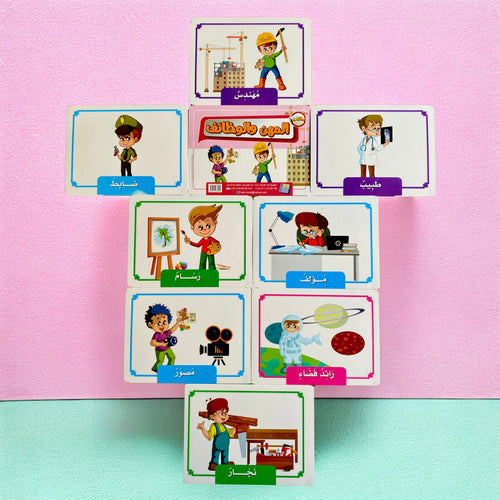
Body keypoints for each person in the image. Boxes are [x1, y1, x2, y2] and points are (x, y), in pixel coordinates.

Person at [197, 398, 237, 470]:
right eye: (222, 413)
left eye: (226, 413)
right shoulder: (214, 426)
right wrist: (203, 429)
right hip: (217, 445)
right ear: (212, 416)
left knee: (225, 455)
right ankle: (213, 464)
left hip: (225, 446)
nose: (225, 416)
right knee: (215, 455)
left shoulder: (224, 426)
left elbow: (230, 433)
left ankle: (225, 463)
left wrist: (235, 429)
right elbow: (209, 436)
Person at [184, 205, 223, 270]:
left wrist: (213, 246)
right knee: (202, 263)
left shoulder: (210, 238)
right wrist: (190, 242)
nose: (204, 229)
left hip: (211, 252)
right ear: (193, 228)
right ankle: (201, 272)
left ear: (215, 222)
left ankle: (212, 272)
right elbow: (198, 245)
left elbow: (217, 242)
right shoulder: (202, 240)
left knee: (211, 263)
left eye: (208, 226)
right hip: (203, 252)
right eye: (200, 227)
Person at [145, 304, 181, 372]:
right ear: (150, 324)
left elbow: (172, 329)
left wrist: (177, 323)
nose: (162, 325)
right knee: (160, 361)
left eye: (164, 322)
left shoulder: (165, 332)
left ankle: (169, 369)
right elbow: (152, 343)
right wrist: (162, 344)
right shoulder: (156, 334)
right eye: (158, 323)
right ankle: (155, 369)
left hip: (167, 348)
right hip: (160, 350)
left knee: (172, 357)